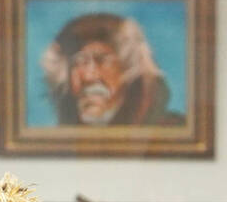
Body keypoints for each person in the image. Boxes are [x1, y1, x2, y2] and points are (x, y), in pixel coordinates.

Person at [40, 11, 184, 127]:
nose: (89, 76)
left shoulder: (171, 129)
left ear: (128, 69)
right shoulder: (58, 139)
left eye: (102, 61)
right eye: (79, 62)